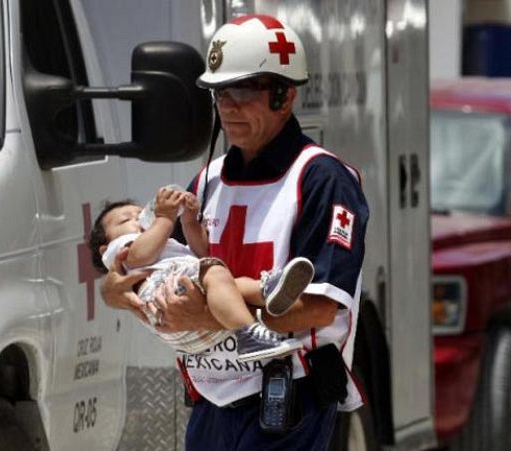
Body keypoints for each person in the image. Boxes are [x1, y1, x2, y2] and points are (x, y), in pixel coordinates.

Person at [100, 14, 369, 451]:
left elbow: (321, 308)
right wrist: (114, 287)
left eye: (243, 90)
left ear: (285, 96)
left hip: (288, 396)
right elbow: (152, 263)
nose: (227, 105)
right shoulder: (208, 180)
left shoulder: (322, 179)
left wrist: (209, 319)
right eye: (219, 92)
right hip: (212, 398)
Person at [88, 187, 315, 361]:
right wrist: (165, 217)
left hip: (193, 327)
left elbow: (201, 251)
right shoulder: (121, 249)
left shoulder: (165, 242)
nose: (138, 220)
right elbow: (140, 255)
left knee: (227, 283)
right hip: (165, 300)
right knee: (214, 272)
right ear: (104, 248)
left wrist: (189, 220)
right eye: (126, 220)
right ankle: (250, 332)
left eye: (139, 215)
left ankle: (266, 292)